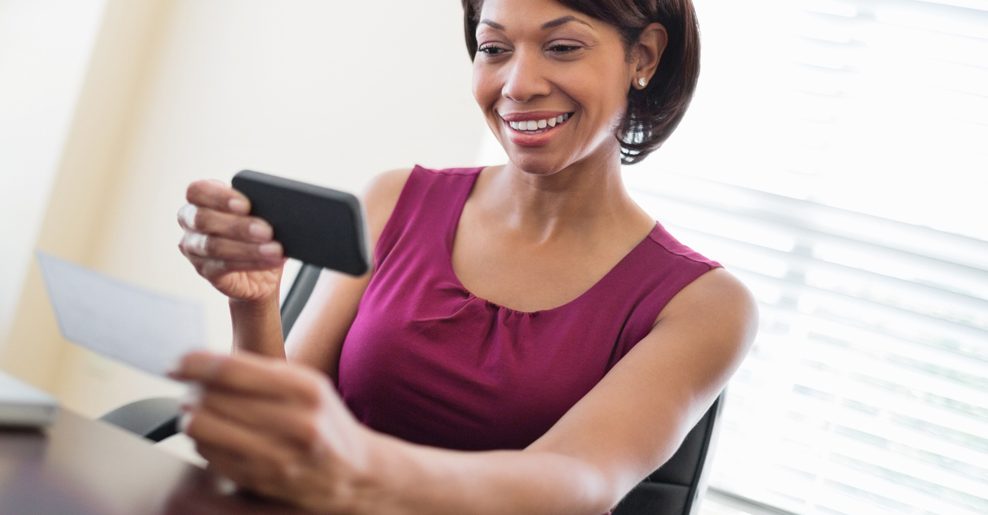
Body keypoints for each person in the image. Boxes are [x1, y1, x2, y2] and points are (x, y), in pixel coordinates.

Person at [169, 0, 756, 513]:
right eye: (494, 47)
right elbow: (276, 436)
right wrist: (255, 302)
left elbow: (579, 479)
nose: (518, 84)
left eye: (562, 46)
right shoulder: (393, 199)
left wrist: (361, 473)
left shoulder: (706, 305)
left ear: (644, 57)